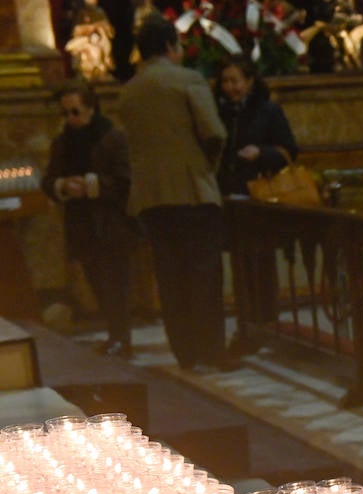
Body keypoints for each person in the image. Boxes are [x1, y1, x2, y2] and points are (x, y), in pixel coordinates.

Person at [121, 15, 230, 372]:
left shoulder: (130, 90)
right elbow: (213, 133)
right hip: (191, 190)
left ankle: (185, 352)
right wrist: (206, 168)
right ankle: (211, 351)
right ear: (171, 46)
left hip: (151, 196)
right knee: (203, 272)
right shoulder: (187, 80)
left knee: (169, 276)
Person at [41, 77, 136, 358]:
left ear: (91, 109)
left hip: (111, 222)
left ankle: (122, 337)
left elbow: (126, 181)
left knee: (116, 283)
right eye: (66, 113)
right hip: (82, 223)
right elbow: (49, 179)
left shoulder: (112, 137)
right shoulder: (62, 142)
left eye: (76, 112)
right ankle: (114, 334)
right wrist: (63, 186)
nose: (71, 118)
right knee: (97, 281)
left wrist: (92, 185)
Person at [215, 55, 299, 197]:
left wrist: (260, 153)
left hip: (258, 189)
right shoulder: (218, 110)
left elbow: (289, 151)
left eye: (234, 81)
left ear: (249, 81)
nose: (229, 87)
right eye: (225, 81)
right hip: (223, 190)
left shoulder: (268, 111)